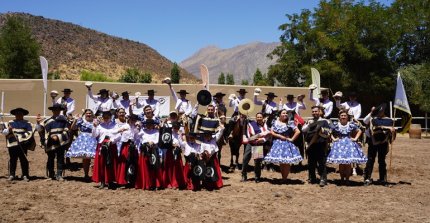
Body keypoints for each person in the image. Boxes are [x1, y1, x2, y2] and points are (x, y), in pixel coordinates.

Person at [327, 110, 367, 185]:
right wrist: (334, 139)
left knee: (348, 163)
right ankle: (342, 179)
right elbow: (329, 131)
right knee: (341, 163)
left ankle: (347, 179)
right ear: (339, 117)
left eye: (345, 115)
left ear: (347, 116)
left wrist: (355, 139)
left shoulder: (351, 124)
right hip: (339, 145)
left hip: (349, 144)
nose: (343, 117)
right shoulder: (336, 124)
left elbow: (359, 131)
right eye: (342, 115)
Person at [264, 109, 302, 183]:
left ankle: (285, 178)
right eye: (283, 113)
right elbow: (272, 132)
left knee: (286, 162)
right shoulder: (275, 122)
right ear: (279, 115)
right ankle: (283, 177)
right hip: (277, 143)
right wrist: (279, 136)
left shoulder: (290, 123)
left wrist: (292, 139)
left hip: (286, 144)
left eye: (286, 113)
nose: (285, 114)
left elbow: (298, 131)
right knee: (281, 161)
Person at [363, 103, 396, 186]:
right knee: (370, 160)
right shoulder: (373, 119)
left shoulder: (389, 120)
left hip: (383, 142)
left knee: (382, 161)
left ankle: (382, 179)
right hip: (373, 141)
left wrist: (393, 131)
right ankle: (367, 178)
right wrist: (387, 128)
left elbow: (390, 132)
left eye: (380, 110)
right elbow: (375, 127)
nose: (379, 112)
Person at [36, 103, 70, 181]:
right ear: (52, 111)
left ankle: (59, 175)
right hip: (50, 142)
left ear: (60, 110)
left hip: (61, 142)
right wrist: (38, 123)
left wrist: (58, 137)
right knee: (50, 158)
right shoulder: (47, 121)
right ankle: (51, 174)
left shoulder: (64, 120)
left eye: (57, 110)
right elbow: (41, 131)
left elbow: (67, 131)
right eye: (54, 110)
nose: (56, 111)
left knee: (60, 158)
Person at [91, 111, 122, 189]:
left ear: (110, 116)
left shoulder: (115, 125)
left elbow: (119, 136)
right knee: (101, 164)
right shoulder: (100, 126)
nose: (106, 118)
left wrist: (112, 141)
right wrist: (94, 127)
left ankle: (110, 181)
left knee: (111, 163)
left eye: (107, 116)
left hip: (111, 146)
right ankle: (102, 181)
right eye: (104, 117)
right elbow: (94, 135)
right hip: (101, 146)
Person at [302, 105, 331, 187]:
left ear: (319, 112)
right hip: (311, 145)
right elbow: (303, 130)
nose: (314, 113)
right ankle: (312, 177)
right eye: (313, 111)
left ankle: (323, 179)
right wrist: (309, 125)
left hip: (320, 144)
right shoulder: (309, 121)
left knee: (321, 162)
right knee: (311, 163)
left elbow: (328, 132)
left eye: (316, 111)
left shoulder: (324, 121)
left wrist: (321, 130)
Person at [2, 108, 33, 182]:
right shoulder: (9, 123)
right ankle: (12, 175)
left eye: (20, 114)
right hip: (12, 144)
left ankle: (25, 175)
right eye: (17, 114)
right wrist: (8, 130)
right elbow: (4, 132)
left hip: (23, 144)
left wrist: (20, 137)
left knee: (23, 159)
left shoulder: (27, 123)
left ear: (23, 115)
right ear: (15, 115)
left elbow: (29, 132)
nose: (18, 115)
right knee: (13, 159)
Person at [65, 109, 97, 180]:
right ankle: (86, 175)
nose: (88, 114)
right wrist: (75, 120)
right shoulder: (81, 121)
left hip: (93, 139)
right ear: (84, 114)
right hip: (83, 140)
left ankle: (95, 175)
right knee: (86, 159)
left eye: (90, 113)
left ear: (92, 114)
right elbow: (73, 128)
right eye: (87, 113)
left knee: (95, 158)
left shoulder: (95, 121)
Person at [241, 112, 271, 183]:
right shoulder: (251, 124)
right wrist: (254, 138)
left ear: (263, 118)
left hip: (258, 145)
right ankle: (243, 175)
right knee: (245, 159)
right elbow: (249, 134)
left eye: (260, 117)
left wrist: (262, 139)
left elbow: (268, 136)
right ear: (256, 118)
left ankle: (257, 177)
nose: (259, 118)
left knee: (257, 162)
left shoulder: (266, 126)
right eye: (258, 117)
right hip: (250, 144)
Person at [135, 118, 163, 190]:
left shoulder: (156, 132)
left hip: (153, 150)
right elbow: (136, 137)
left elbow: (157, 140)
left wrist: (152, 142)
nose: (149, 126)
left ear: (153, 125)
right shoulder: (142, 131)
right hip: (145, 151)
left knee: (154, 167)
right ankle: (146, 184)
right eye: (148, 124)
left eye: (150, 124)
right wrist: (137, 128)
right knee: (145, 168)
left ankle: (154, 184)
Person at [116, 114, 140, 188]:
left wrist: (138, 129)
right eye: (131, 119)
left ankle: (132, 180)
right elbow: (116, 134)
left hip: (133, 146)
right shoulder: (124, 126)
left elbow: (137, 138)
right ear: (128, 119)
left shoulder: (136, 128)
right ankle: (122, 181)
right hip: (126, 146)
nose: (132, 121)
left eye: (134, 119)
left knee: (133, 162)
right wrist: (120, 131)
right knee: (125, 162)